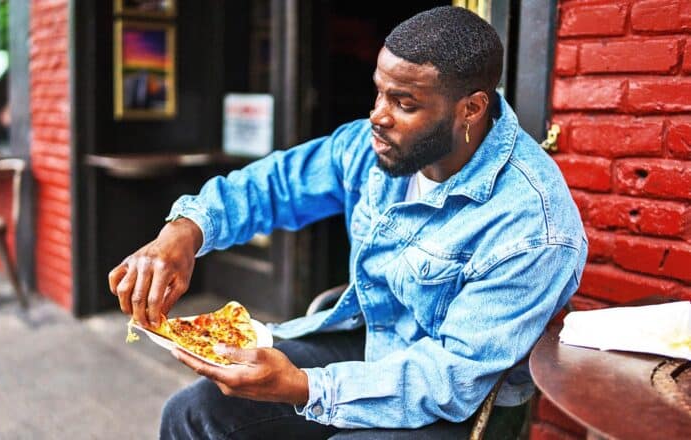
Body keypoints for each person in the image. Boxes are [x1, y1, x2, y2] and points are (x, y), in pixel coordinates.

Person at [109, 7, 587, 439]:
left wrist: (302, 387)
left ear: (472, 108)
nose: (377, 117)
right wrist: (184, 232)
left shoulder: (533, 225)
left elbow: (452, 378)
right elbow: (274, 185)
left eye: (404, 103)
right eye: (378, 92)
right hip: (370, 335)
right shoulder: (373, 145)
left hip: (457, 401)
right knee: (194, 414)